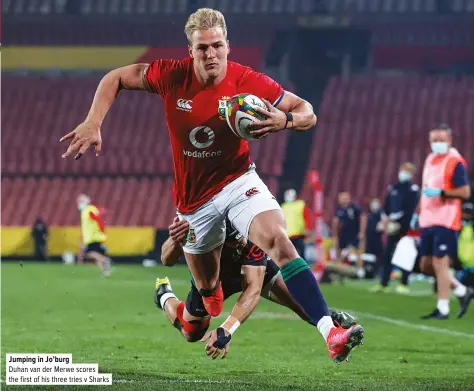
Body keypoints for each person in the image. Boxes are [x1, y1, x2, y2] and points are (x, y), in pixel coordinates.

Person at [60, 8, 363, 362]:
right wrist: (93, 121)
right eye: (202, 48)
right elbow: (116, 77)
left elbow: (308, 112)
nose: (211, 54)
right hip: (194, 205)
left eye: (217, 45)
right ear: (190, 50)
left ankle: (331, 333)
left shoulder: (245, 79)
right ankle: (170, 297)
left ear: (228, 46)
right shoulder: (170, 75)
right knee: (205, 299)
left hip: (238, 180)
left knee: (280, 240)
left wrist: (285, 119)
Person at [154, 217, 358, 361]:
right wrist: (174, 240)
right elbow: (166, 259)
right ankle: (164, 295)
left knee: (300, 303)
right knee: (191, 333)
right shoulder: (199, 225)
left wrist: (226, 329)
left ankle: (332, 328)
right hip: (210, 280)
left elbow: (253, 288)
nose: (242, 242)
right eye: (236, 241)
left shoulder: (251, 230)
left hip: (250, 269)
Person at [411, 124, 473, 319]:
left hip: (446, 219)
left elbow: (465, 192)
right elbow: (425, 188)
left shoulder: (455, 162)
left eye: (441, 139)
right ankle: (462, 291)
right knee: (425, 265)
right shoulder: (430, 159)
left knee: (440, 263)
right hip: (427, 219)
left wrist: (442, 193)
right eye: (434, 140)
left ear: (449, 140)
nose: (437, 143)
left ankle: (443, 308)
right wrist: (417, 212)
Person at [370, 162, 420, 294]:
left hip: (405, 228)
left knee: (405, 256)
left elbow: (410, 209)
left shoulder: (413, 190)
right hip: (391, 225)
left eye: (407, 171)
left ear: (411, 174)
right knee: (387, 255)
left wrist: (401, 224)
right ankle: (383, 283)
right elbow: (386, 206)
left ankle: (403, 283)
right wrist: (385, 220)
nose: (403, 172)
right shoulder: (393, 188)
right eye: (403, 169)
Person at [77, 194, 112, 277]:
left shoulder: (89, 210)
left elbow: (97, 219)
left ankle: (104, 260)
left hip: (93, 237)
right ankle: (105, 272)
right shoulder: (86, 211)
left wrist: (102, 230)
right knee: (96, 255)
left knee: (89, 252)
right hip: (91, 236)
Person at [281, 188, 312, 259]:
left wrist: (308, 229)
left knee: (301, 254)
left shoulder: (300, 204)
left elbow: (307, 217)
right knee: (289, 256)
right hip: (287, 235)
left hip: (298, 234)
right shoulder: (284, 206)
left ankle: (303, 269)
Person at [332, 192, 362, 264]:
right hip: (343, 233)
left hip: (354, 232)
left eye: (345, 198)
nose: (343, 200)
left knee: (357, 250)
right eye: (342, 198)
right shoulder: (339, 209)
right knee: (339, 249)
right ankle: (338, 265)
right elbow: (335, 222)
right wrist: (335, 235)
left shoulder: (355, 207)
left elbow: (362, 218)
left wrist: (361, 232)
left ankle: (360, 268)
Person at [361, 199, 384, 278]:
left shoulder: (381, 214)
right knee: (368, 256)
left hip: (378, 239)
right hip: (369, 239)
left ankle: (380, 271)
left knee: (380, 256)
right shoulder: (369, 215)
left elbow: (382, 226)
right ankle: (369, 271)